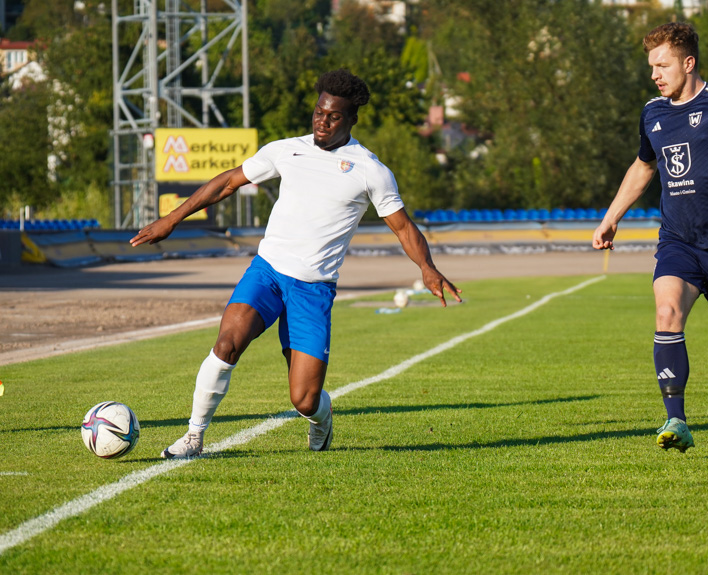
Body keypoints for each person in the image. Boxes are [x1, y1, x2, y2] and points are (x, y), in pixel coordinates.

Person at [131, 69, 462, 458]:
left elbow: (404, 228)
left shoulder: (371, 170)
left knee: (304, 400)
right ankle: (193, 436)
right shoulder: (285, 149)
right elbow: (227, 182)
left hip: (313, 289)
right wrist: (172, 218)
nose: (322, 121)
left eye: (334, 116)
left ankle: (323, 420)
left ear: (351, 119)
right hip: (267, 272)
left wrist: (427, 267)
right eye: (319, 112)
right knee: (227, 344)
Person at [592, 23, 708, 453]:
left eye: (663, 65)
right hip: (678, 241)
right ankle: (676, 420)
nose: (655, 75)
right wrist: (610, 219)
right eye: (651, 67)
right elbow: (644, 167)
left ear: (689, 62)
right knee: (667, 313)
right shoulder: (653, 113)